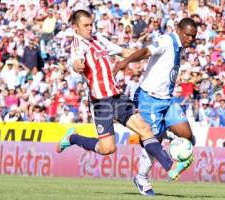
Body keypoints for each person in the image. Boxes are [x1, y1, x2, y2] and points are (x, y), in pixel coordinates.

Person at [56, 9, 190, 182]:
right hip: (100, 102)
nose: (90, 28)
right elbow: (76, 61)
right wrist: (77, 65)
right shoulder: (78, 44)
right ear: (75, 28)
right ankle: (72, 138)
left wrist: (151, 58)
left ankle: (170, 166)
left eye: (91, 25)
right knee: (107, 149)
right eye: (86, 26)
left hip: (117, 97)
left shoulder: (99, 40)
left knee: (145, 129)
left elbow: (124, 52)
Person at [114, 18, 197, 196]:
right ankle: (142, 178)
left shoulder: (180, 45)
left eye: (193, 36)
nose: (191, 38)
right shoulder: (167, 40)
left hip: (167, 99)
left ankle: (167, 134)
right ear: (179, 30)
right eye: (188, 35)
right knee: (152, 141)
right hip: (149, 99)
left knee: (188, 136)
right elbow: (145, 51)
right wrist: (125, 62)